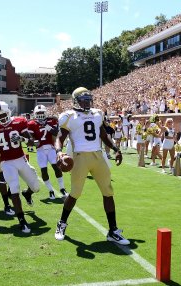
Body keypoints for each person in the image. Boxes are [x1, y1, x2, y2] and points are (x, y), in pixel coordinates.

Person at [54, 87, 129, 245]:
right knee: (74, 193)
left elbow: (103, 135)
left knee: (108, 192)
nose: (87, 102)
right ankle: (61, 224)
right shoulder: (69, 116)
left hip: (98, 155)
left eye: (89, 99)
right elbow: (60, 137)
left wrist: (116, 149)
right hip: (80, 156)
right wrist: (59, 152)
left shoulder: (97, 114)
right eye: (84, 99)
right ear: (76, 100)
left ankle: (113, 230)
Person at [0, 101, 40, 233]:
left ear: (9, 112)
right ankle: (22, 220)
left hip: (21, 159)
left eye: (4, 115)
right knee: (14, 188)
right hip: (6, 162)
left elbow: (33, 142)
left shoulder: (20, 122)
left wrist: (22, 139)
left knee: (36, 188)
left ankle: (27, 194)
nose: (2, 118)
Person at [27, 104, 68, 200]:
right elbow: (31, 139)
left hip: (51, 148)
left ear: (45, 113)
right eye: (38, 113)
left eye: (42, 113)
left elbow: (56, 132)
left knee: (57, 167)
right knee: (44, 170)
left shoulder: (51, 120)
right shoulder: (32, 124)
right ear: (35, 114)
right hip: (40, 150)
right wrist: (33, 142)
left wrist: (46, 125)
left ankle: (62, 189)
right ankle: (51, 190)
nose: (40, 114)